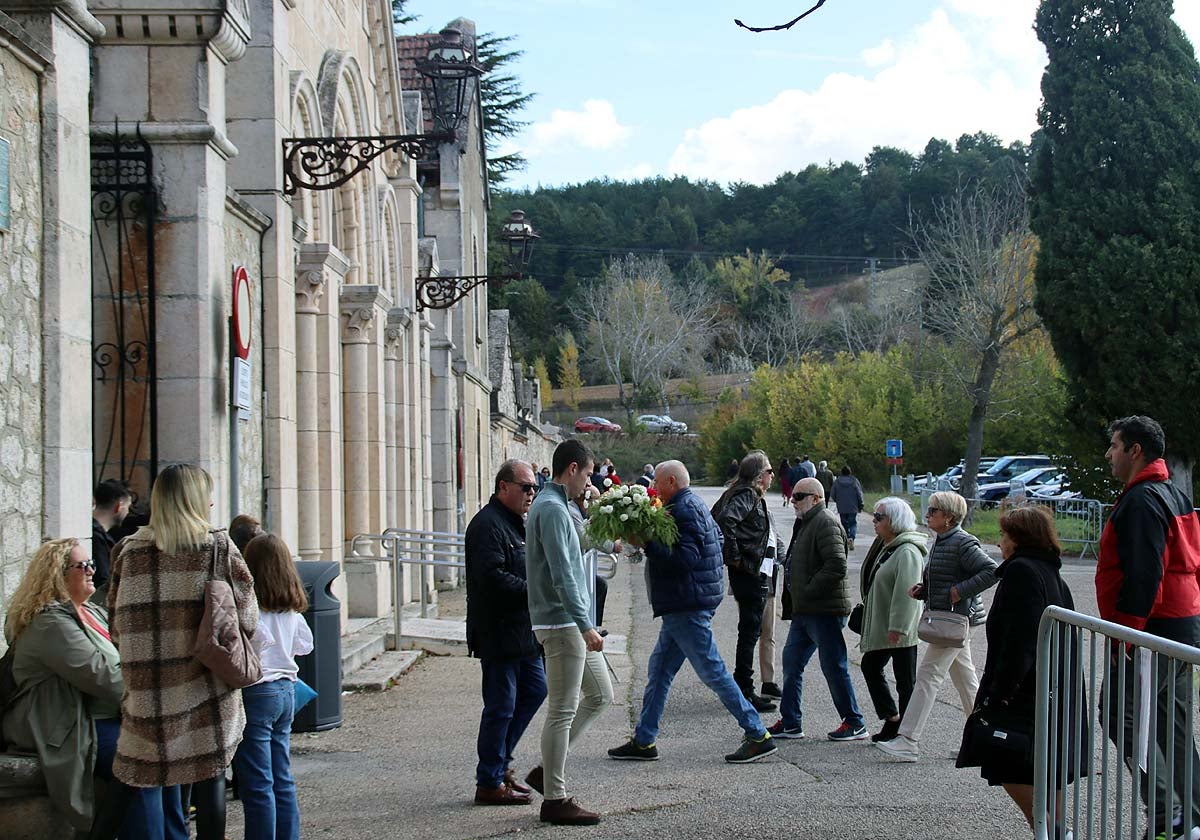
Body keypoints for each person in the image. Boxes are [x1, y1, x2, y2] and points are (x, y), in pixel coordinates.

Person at [93, 463, 259, 840]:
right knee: (210, 778)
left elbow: (116, 622)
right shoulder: (216, 546)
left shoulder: (127, 550)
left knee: (129, 782)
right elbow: (247, 618)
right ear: (196, 500)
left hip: (148, 693)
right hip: (204, 686)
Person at [2, 538, 183, 839]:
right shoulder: (50, 624)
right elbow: (107, 679)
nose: (90, 571)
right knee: (143, 759)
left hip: (103, 716)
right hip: (68, 725)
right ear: (56, 574)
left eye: (92, 564)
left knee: (172, 756)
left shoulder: (91, 612)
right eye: (81, 565)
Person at [607, 461, 777, 764]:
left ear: (672, 481)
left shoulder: (683, 510)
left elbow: (685, 558)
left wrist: (646, 542)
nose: (655, 490)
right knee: (659, 671)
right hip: (687, 602)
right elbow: (715, 543)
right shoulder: (692, 504)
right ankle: (644, 740)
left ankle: (756, 734)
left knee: (713, 671)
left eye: (658, 483)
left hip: (687, 604)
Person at [1098, 415, 1200, 840]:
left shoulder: (1142, 499)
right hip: (1180, 626)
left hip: (1153, 630)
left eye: (1115, 446)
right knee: (1168, 721)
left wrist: (1128, 635)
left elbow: (1145, 573)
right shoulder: (1172, 493)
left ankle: (1168, 813)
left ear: (1135, 450)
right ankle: (1191, 813)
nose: (1109, 454)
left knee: (1119, 711)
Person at [964, 505, 1085, 835]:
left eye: (1004, 535)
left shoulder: (1022, 573)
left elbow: (1019, 640)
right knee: (1046, 768)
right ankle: (1054, 830)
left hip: (1027, 691)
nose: (999, 541)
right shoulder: (1049, 571)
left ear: (1018, 539)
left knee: (1007, 759)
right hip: (1053, 686)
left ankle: (1053, 831)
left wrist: (999, 695)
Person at [524, 440, 612, 826]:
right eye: (589, 475)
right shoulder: (553, 508)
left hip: (565, 621)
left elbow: (577, 548)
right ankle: (555, 798)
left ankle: (548, 771)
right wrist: (585, 624)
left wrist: (607, 527)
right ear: (573, 469)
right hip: (562, 622)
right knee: (563, 708)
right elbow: (562, 575)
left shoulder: (556, 505)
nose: (589, 483)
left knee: (600, 695)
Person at [878, 490, 997, 762]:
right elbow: (946, 575)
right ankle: (983, 742)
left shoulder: (962, 542)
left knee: (929, 675)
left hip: (954, 620)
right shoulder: (943, 540)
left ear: (949, 517)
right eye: (928, 510)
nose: (927, 515)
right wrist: (925, 590)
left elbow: (991, 571)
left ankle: (908, 739)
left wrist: (958, 592)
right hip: (950, 619)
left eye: (933, 511)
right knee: (966, 681)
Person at [464, 459, 546, 806]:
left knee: (536, 690)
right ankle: (489, 780)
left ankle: (500, 764)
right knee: (500, 707)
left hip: (522, 631)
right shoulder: (487, 525)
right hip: (498, 632)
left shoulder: (516, 523)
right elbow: (493, 578)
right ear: (503, 488)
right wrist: (537, 590)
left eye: (533, 488)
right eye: (526, 487)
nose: (531, 493)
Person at [768, 478, 868, 742]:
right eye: (793, 496)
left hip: (824, 610)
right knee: (791, 662)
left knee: (834, 666)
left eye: (799, 496)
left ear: (816, 498)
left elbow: (836, 565)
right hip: (805, 611)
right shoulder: (807, 522)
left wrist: (808, 589)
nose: (793, 500)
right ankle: (790, 721)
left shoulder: (824, 522)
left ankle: (854, 722)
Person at [233, 533, 313, 840]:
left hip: (257, 690)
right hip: (286, 689)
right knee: (282, 776)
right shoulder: (289, 608)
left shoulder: (252, 607)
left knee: (257, 782)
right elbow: (305, 645)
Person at [711, 451, 778, 713]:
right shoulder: (747, 494)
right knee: (750, 631)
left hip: (750, 571)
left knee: (750, 630)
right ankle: (745, 689)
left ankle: (743, 686)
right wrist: (736, 558)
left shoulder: (739, 492)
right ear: (760, 475)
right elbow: (725, 521)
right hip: (749, 572)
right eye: (770, 471)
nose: (773, 476)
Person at [857, 497, 925, 742]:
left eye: (879, 517)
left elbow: (906, 594)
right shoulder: (888, 545)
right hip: (884, 624)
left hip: (899, 628)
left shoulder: (906, 550)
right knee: (871, 666)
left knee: (905, 682)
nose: (873, 521)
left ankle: (905, 734)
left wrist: (898, 626)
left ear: (894, 521)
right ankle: (892, 719)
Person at [92, 479, 133, 592]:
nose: (128, 512)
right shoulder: (97, 538)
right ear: (119, 506)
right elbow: (103, 581)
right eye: (128, 506)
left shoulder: (94, 534)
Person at [829, 466, 865, 550]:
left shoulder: (837, 481)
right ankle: (851, 537)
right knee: (853, 523)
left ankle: (847, 537)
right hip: (853, 506)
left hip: (842, 506)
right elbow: (859, 493)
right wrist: (861, 503)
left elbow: (833, 494)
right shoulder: (854, 481)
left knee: (844, 523)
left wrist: (837, 500)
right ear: (850, 472)